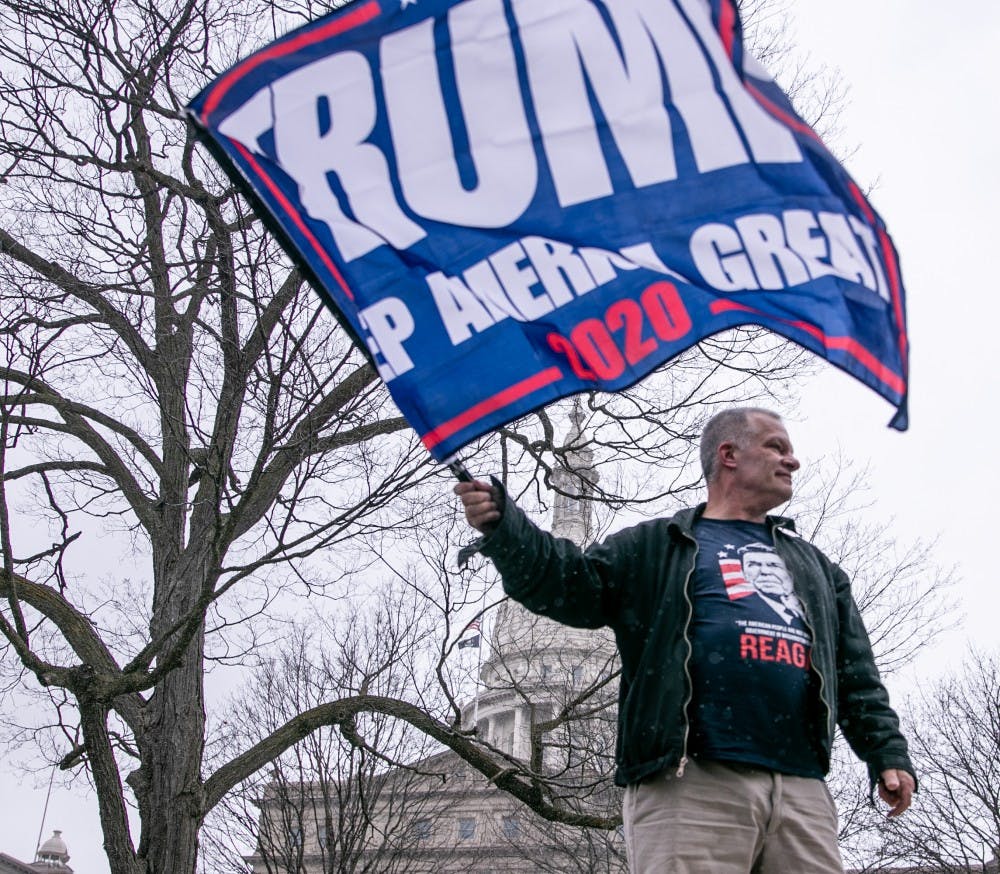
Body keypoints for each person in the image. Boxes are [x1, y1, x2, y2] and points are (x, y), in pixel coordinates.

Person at [454, 407, 915, 874]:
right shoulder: (656, 547)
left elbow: (856, 673)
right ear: (729, 455)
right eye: (777, 447)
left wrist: (886, 752)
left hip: (799, 785)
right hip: (690, 778)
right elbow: (567, 583)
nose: (792, 461)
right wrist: (505, 528)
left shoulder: (817, 568)